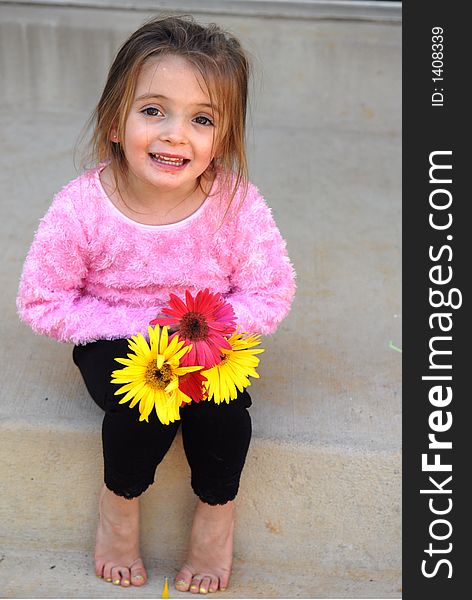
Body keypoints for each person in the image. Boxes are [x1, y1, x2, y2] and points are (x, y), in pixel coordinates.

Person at [17, 15, 295, 594]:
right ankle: (119, 505)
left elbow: (271, 291)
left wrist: (208, 332)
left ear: (223, 137)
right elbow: (42, 302)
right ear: (115, 120)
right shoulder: (82, 210)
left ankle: (216, 514)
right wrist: (147, 329)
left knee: (222, 414)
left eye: (201, 119)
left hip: (209, 337)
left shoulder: (235, 205)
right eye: (152, 110)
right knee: (148, 405)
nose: (175, 134)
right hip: (115, 337)